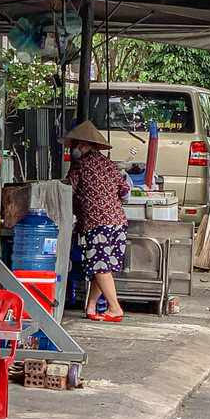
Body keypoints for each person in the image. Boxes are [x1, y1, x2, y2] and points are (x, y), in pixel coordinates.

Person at [63, 120, 129, 323]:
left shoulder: (80, 165)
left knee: (100, 268)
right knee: (104, 267)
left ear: (82, 144)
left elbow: (68, 192)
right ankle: (91, 307)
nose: (72, 149)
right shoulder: (109, 165)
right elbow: (124, 191)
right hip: (118, 223)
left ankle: (115, 308)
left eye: (74, 145)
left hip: (97, 223)